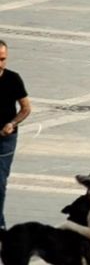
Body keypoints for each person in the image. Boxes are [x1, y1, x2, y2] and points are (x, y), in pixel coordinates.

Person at [0, 40, 32, 231]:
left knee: (0, 181)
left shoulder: (13, 79)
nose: (0, 63)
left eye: (3, 59)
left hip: (5, 138)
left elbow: (26, 108)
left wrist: (12, 123)